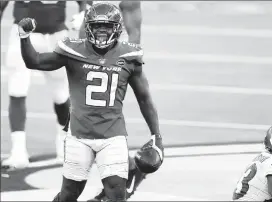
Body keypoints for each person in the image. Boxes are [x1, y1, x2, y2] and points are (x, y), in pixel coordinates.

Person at [18, 2, 164, 202]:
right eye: (96, 27)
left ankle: (129, 176)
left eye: (107, 27)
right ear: (88, 27)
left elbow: (144, 97)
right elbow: (34, 61)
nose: (102, 32)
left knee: (116, 195)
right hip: (80, 133)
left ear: (117, 29)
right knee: (69, 194)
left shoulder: (129, 56)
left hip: (112, 135)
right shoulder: (73, 50)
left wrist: (157, 136)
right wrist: (24, 37)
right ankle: (132, 174)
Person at [0, 0, 87, 169]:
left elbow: (86, 3)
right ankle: (18, 151)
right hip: (23, 35)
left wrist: (82, 15)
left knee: (61, 95)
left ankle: (64, 145)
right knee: (17, 90)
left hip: (56, 36)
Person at [81, 1, 147, 201]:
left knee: (98, 122)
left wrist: (121, 63)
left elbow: (134, 32)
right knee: (85, 123)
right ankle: (129, 170)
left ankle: (115, 186)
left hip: (113, 61)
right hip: (86, 55)